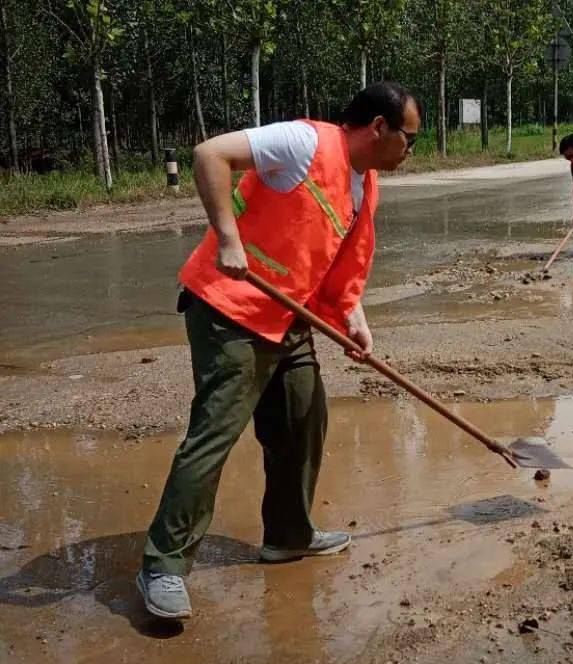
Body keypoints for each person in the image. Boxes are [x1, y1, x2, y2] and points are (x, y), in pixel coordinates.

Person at [138, 82, 421, 622]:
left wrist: (352, 317)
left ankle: (289, 535)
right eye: (409, 138)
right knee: (214, 433)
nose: (412, 150)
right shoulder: (303, 142)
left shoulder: (365, 183)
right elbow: (210, 155)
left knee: (302, 416)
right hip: (230, 309)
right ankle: (164, 565)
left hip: (287, 317)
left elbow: (336, 261)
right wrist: (228, 237)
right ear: (379, 128)